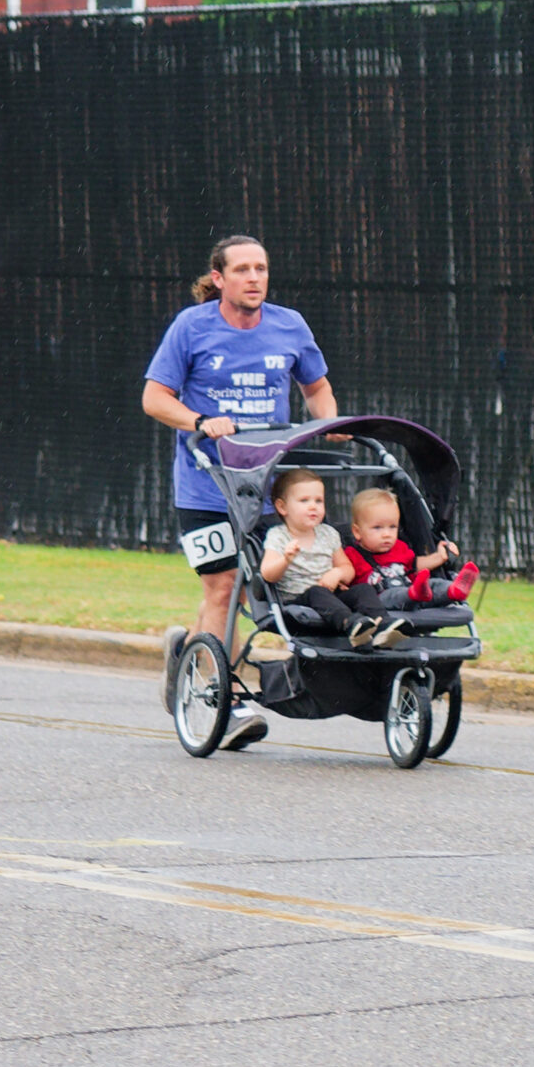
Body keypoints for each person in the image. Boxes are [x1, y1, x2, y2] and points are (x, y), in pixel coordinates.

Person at [142, 235, 338, 749]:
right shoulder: (192, 327)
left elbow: (315, 388)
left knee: (271, 587)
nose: (254, 278)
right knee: (223, 588)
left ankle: (189, 653)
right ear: (219, 278)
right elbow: (154, 398)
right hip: (204, 486)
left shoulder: (289, 325)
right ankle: (221, 698)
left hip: (267, 488)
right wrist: (199, 420)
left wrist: (331, 425)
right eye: (243, 269)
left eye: (262, 268)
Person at [251, 468, 402, 648]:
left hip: (331, 595)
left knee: (362, 590)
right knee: (317, 592)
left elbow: (348, 569)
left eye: (319, 501)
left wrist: (337, 573)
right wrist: (285, 559)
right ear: (282, 507)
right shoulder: (278, 536)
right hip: (298, 597)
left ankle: (383, 625)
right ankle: (351, 624)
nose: (313, 506)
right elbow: (267, 574)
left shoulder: (328, 534)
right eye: (304, 501)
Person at [342, 486, 478, 609]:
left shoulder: (399, 548)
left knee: (434, 584)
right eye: (377, 528)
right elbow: (344, 576)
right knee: (394, 595)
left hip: (415, 592)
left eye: (392, 527)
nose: (386, 534)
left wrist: (439, 557)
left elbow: (416, 565)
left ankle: (454, 590)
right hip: (381, 601)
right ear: (357, 532)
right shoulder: (351, 555)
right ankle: (415, 593)